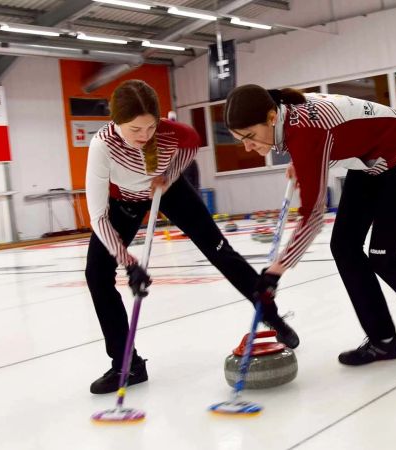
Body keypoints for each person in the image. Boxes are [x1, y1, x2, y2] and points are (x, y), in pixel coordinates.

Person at [85, 80, 298, 394]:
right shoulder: (102, 146)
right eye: (134, 130)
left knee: (220, 251)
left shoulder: (174, 134)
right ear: (115, 123)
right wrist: (129, 263)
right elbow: (98, 216)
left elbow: (192, 144)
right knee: (97, 274)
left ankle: (272, 316)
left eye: (150, 128)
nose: (144, 137)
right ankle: (126, 365)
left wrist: (169, 177)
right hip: (123, 201)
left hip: (168, 190)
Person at [224, 85, 396, 366]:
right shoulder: (291, 122)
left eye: (250, 136)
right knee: (344, 246)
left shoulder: (305, 132)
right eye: (241, 140)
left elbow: (313, 216)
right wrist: (302, 163)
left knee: (383, 256)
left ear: (272, 117)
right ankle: (383, 340)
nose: (248, 147)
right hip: (370, 159)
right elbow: (329, 139)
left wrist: (274, 273)